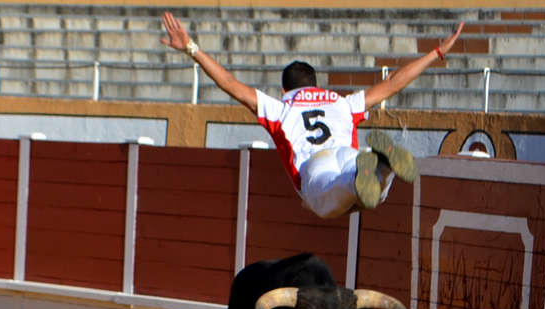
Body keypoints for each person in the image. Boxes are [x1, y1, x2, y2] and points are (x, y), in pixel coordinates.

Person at [162, 13, 464, 218]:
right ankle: (380, 166)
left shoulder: (280, 108)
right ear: (316, 86)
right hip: (348, 154)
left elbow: (229, 83)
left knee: (329, 202)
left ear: (284, 89)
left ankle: (363, 175)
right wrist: (436, 52)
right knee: (372, 193)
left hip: (315, 166)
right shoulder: (342, 103)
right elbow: (392, 83)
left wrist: (190, 47)